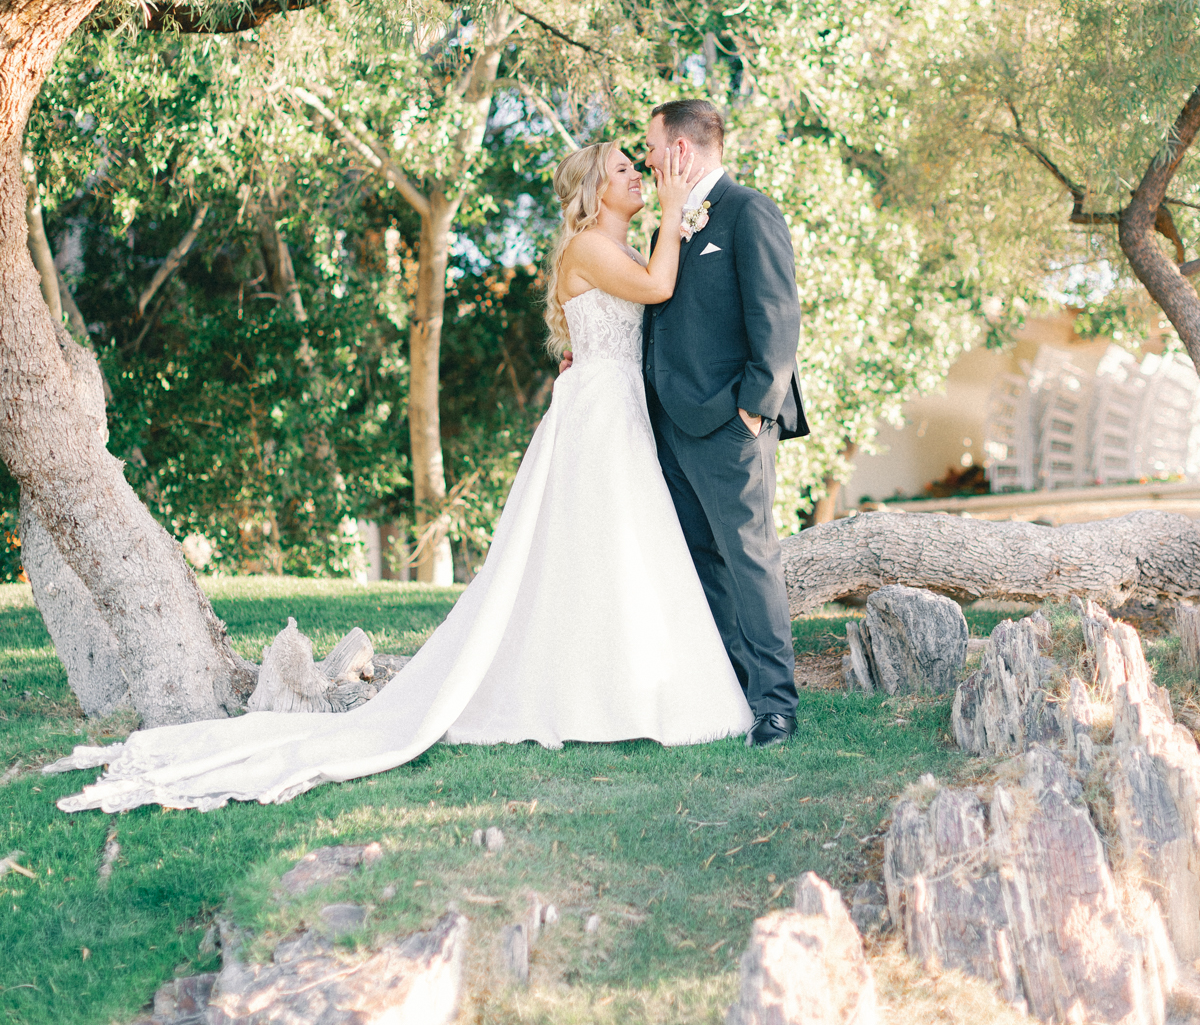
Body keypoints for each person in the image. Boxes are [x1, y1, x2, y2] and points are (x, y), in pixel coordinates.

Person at [51, 139, 751, 814]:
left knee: (619, 557)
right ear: (595, 190)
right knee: (604, 553)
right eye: (625, 169)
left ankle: (625, 690)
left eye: (641, 168)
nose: (639, 175)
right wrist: (674, 204)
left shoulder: (617, 246)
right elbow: (659, 287)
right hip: (601, 415)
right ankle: (601, 696)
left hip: (615, 404)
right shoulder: (594, 246)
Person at [642, 99, 808, 748]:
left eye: (652, 147)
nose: (647, 159)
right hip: (670, 425)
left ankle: (776, 706)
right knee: (702, 563)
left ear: (680, 151)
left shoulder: (748, 212)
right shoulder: (671, 221)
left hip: (730, 424)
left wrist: (752, 408)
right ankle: (735, 693)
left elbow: (777, 316)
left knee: (750, 559)